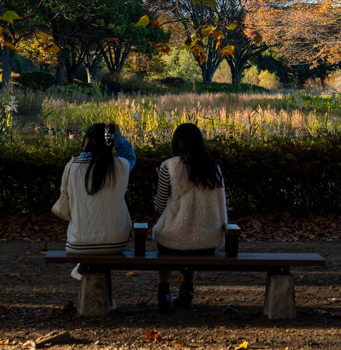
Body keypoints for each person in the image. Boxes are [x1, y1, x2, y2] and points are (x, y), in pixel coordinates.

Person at [152, 122, 228, 313]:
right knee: (191, 236)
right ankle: (187, 292)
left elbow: (158, 206)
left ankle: (164, 293)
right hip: (207, 242)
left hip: (173, 243)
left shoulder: (168, 167)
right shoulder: (213, 168)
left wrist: (159, 179)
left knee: (168, 243)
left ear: (177, 143)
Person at [62, 121, 136, 312]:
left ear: (87, 141)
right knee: (104, 237)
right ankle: (106, 300)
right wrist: (117, 134)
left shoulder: (72, 167)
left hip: (78, 242)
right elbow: (129, 155)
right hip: (117, 241)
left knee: (93, 239)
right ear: (109, 143)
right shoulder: (121, 165)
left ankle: (83, 270)